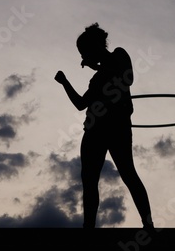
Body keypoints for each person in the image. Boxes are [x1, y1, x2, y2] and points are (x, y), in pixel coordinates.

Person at [55, 23, 154, 230]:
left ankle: (148, 224)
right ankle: (88, 227)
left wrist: (98, 63)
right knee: (89, 181)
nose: (83, 57)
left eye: (85, 51)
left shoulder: (119, 55)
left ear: (96, 45)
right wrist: (64, 82)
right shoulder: (97, 78)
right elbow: (81, 104)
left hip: (117, 127)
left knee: (128, 174)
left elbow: (127, 78)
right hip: (93, 130)